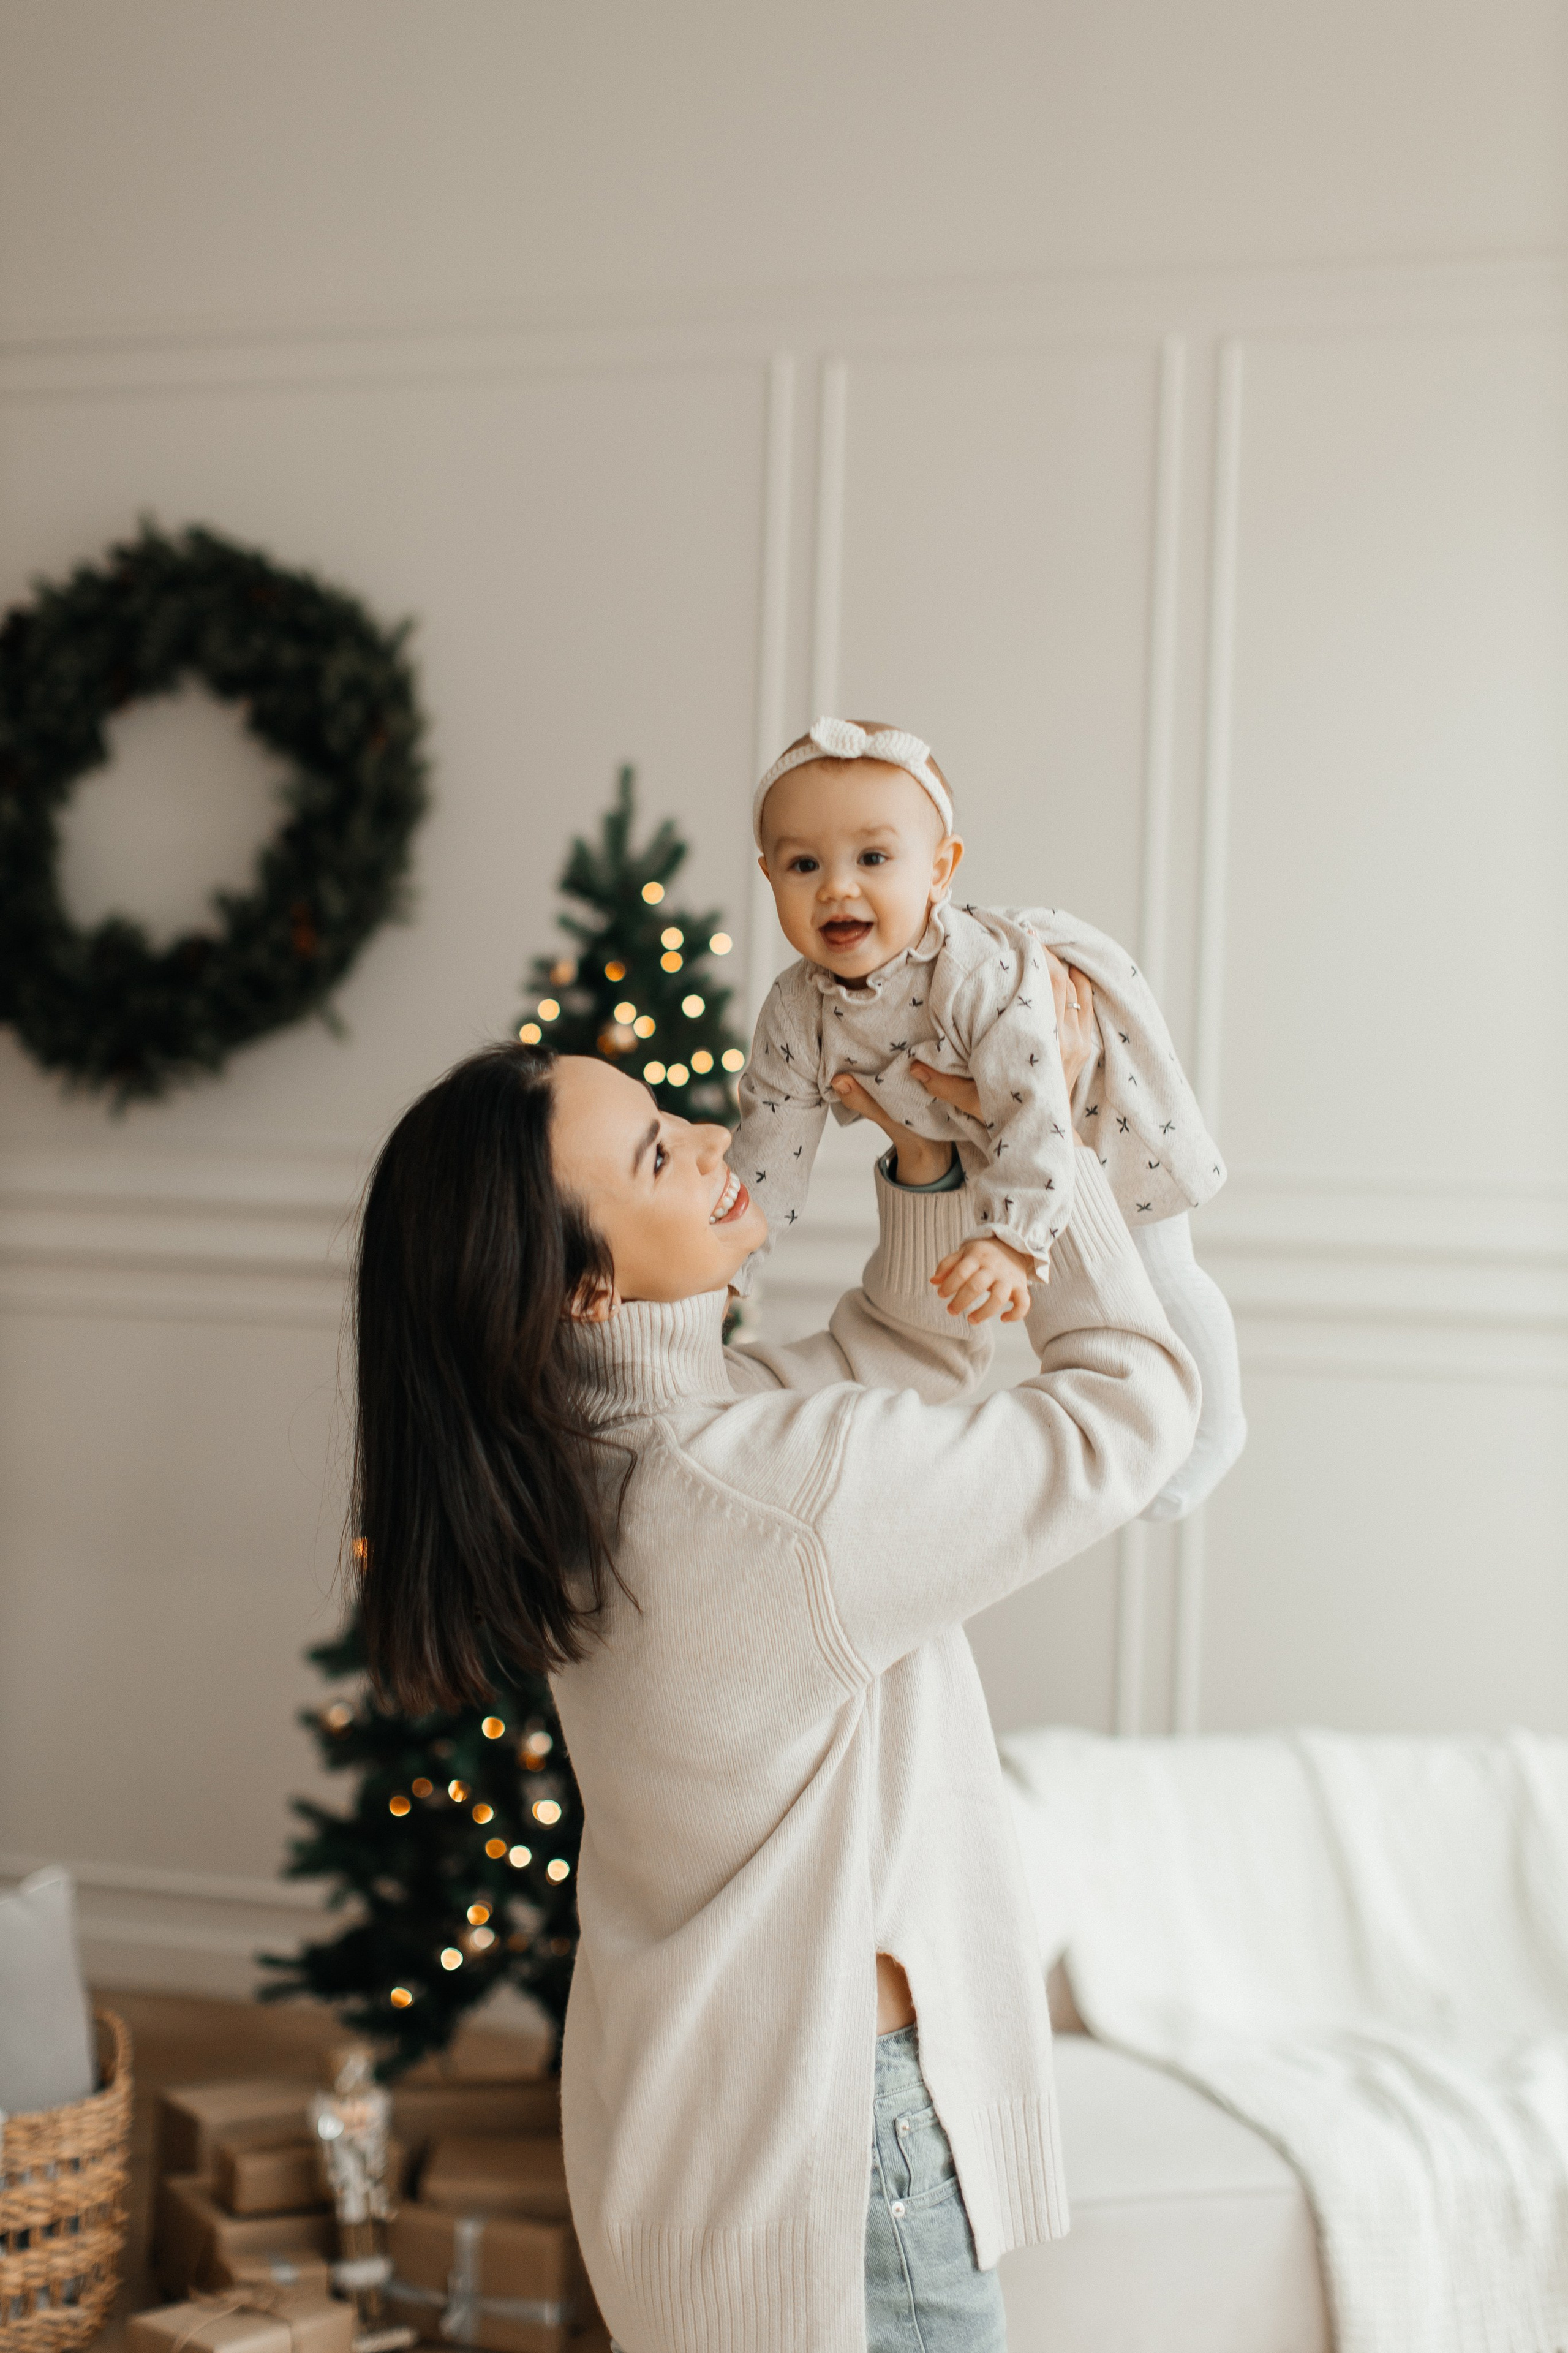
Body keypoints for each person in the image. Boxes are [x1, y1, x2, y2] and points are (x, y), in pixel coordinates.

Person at [352, 950, 1199, 2353]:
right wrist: (1046, 1156)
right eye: (654, 1152)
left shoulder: (602, 1467)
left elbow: (892, 1361)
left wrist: (927, 1160)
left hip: (690, 2133)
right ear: (581, 1287)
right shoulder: (762, 1491)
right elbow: (1135, 1413)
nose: (707, 1135)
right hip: (841, 2148)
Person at [731, 714, 1245, 1519]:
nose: (837, 887)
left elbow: (1035, 1109)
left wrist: (1011, 1238)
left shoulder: (977, 972)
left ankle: (1218, 1426)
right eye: (805, 864)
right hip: (980, 1129)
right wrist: (722, 1270)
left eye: (873, 858)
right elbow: (767, 1155)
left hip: (1086, 1097)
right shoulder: (797, 1012)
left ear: (940, 871)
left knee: (1158, 1263)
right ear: (769, 877)